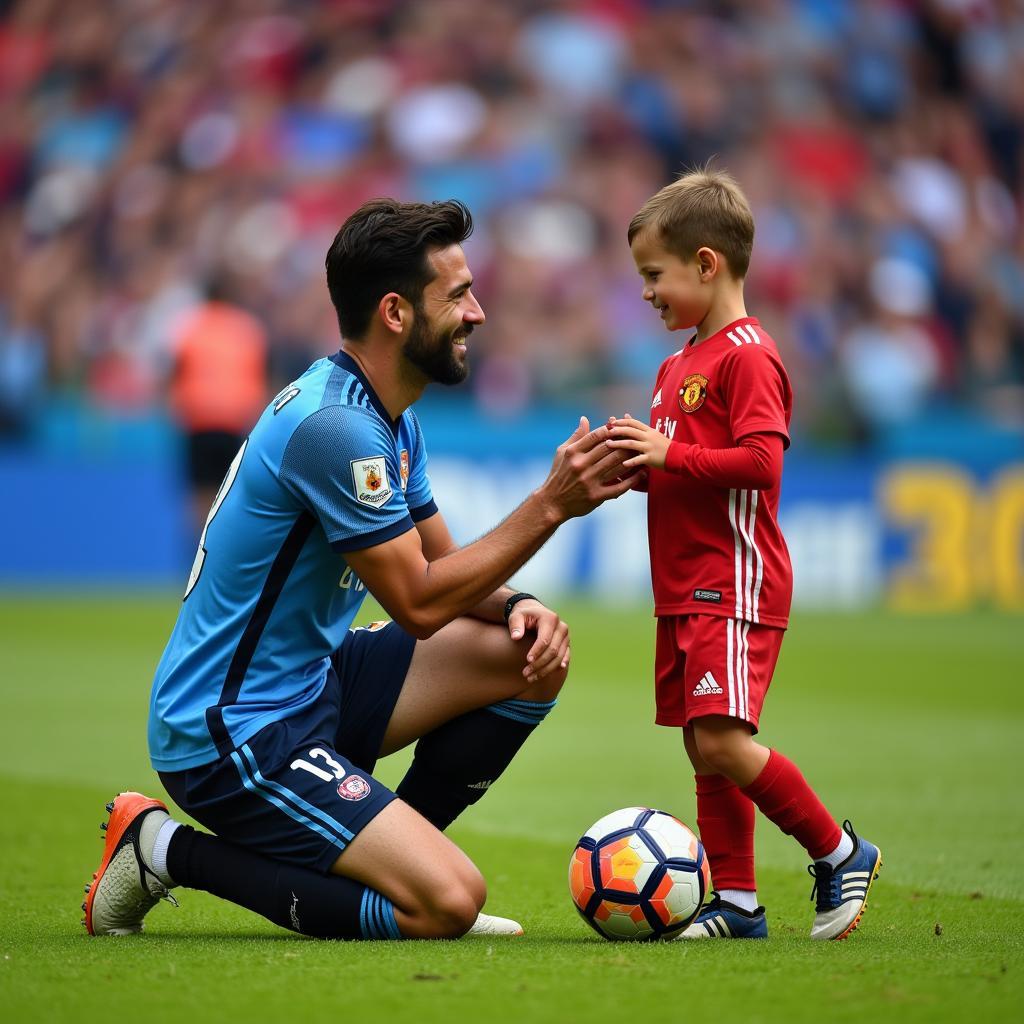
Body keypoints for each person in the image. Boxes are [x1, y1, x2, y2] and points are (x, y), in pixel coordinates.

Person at [82, 198, 634, 941]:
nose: (476, 312)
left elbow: (444, 561)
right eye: (458, 295)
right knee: (448, 902)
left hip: (314, 683)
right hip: (231, 729)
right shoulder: (335, 429)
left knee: (529, 655)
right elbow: (418, 603)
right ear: (396, 314)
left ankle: (384, 851)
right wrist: (550, 507)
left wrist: (516, 606)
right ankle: (163, 850)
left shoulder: (391, 417)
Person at [606, 169, 882, 941]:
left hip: (732, 579)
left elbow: (761, 464)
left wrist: (668, 455)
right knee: (704, 744)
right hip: (683, 583)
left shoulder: (749, 356)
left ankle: (838, 848)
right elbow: (687, 465)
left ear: (706, 263)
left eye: (653, 275)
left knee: (725, 739)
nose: (647, 293)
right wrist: (632, 468)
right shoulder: (674, 368)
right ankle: (736, 903)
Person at [168, 274, 269, 539]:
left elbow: (175, 372)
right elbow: (261, 375)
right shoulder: (247, 328)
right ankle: (225, 552)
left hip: (199, 422)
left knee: (200, 496)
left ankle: (198, 554)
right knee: (232, 496)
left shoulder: (190, 326)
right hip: (234, 422)